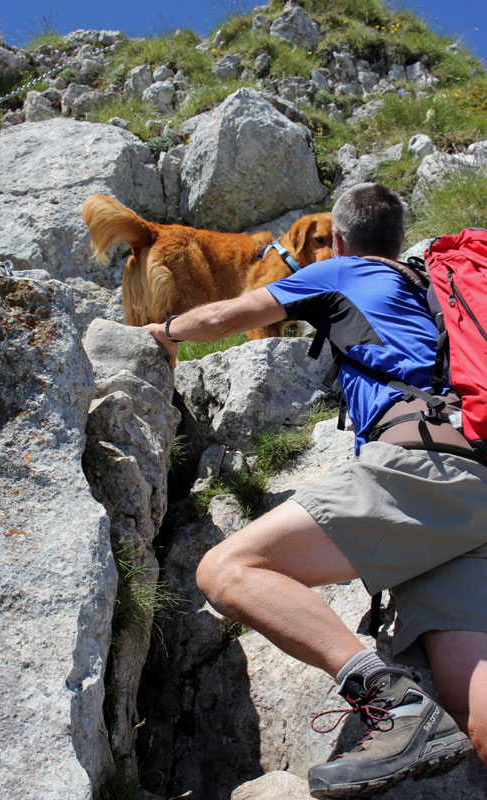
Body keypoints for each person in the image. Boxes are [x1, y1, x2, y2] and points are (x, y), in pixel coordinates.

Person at [145, 183, 487, 797]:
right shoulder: (438, 284)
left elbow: (229, 314)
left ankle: (390, 700)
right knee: (479, 709)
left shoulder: (343, 270)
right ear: (400, 238)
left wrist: (163, 329)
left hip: (422, 472)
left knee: (227, 570)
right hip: (475, 488)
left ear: (343, 239)